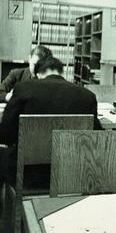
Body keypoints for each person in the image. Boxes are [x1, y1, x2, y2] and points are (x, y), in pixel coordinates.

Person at [0, 56, 102, 186]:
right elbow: (96, 135)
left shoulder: (23, 88)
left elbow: (6, 136)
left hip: (27, 174)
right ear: (61, 72)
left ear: (37, 74)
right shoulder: (87, 95)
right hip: (72, 172)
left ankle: (7, 205)